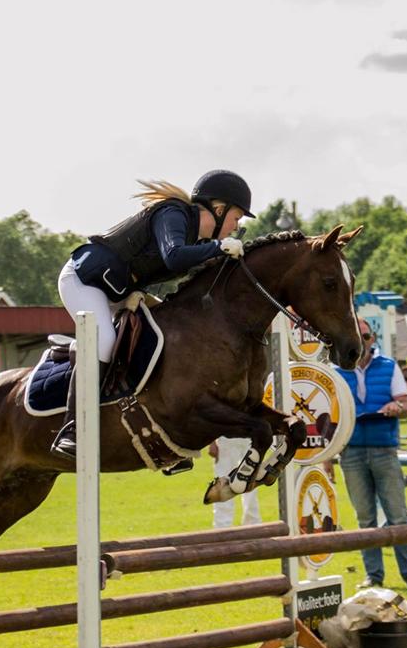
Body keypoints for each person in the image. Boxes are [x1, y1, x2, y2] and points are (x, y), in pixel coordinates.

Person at [51, 170, 255, 459]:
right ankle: (72, 429)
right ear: (219, 209)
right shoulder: (174, 214)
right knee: (106, 341)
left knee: (167, 335)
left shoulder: (197, 241)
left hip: (118, 291)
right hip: (84, 280)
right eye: (236, 218)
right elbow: (173, 254)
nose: (235, 227)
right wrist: (219, 248)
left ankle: (161, 429)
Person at [330, 317, 407, 590]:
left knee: (398, 514)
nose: (363, 342)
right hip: (351, 452)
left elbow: (405, 405)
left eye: (367, 337)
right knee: (365, 518)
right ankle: (374, 575)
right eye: (358, 337)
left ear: (373, 339)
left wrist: (397, 407)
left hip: (384, 448)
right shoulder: (336, 371)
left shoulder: (389, 366)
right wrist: (328, 458)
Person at [208, 437, 261, 529]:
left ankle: (253, 525)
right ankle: (222, 527)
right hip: (226, 437)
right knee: (222, 484)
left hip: (250, 437)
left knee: (251, 484)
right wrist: (211, 442)